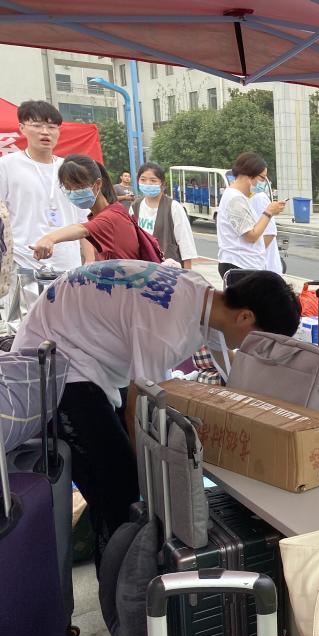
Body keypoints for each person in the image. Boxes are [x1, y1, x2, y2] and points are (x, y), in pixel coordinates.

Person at [12, 260, 300, 565]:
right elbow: (139, 408)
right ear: (245, 316)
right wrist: (151, 486)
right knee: (119, 488)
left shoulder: (203, 296)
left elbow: (225, 362)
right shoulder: (168, 327)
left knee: (122, 471)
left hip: (78, 346)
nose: (251, 349)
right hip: (53, 367)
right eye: (258, 340)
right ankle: (118, 584)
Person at [0, 100, 92, 294]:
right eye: (37, 125)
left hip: (70, 265)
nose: (45, 132)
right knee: (28, 314)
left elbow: (85, 220)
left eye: (51, 127)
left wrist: (90, 261)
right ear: (22, 128)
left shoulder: (70, 168)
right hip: (24, 265)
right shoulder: (6, 166)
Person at [31, 154, 151, 263]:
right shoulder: (105, 211)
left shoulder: (111, 216)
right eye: (68, 188)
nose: (73, 192)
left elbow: (82, 229)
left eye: (79, 186)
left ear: (97, 184)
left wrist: (49, 238)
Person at [216, 152, 285, 279]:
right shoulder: (235, 199)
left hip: (244, 266)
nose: (264, 183)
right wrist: (268, 212)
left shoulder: (239, 197)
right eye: (262, 178)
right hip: (240, 266)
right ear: (249, 175)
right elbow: (251, 236)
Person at [131, 162, 198, 269]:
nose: (148, 183)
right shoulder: (135, 207)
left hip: (168, 271)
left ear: (162, 184)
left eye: (153, 180)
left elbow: (186, 244)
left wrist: (187, 274)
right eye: (143, 179)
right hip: (142, 270)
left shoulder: (173, 207)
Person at [248, 176, 282, 274]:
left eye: (263, 178)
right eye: (262, 177)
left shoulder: (260, 197)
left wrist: (251, 255)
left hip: (266, 269)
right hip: (258, 267)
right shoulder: (246, 198)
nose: (263, 182)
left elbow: (269, 234)